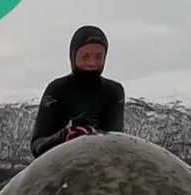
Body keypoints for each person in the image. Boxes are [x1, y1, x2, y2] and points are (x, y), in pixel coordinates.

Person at [30, 25, 125, 159]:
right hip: (58, 168)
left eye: (99, 57)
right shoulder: (57, 89)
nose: (92, 63)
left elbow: (116, 143)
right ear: (73, 56)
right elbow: (37, 146)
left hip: (101, 168)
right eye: (85, 57)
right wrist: (64, 136)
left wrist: (91, 135)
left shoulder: (113, 91)